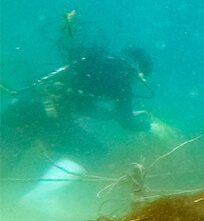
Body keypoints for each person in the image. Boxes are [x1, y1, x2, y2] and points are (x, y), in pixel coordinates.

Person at [1, 46, 155, 167]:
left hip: (25, 107)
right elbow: (127, 122)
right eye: (141, 78)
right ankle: (42, 196)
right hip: (50, 121)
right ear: (137, 70)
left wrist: (116, 114)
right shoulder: (123, 81)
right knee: (95, 152)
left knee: (8, 154)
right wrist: (148, 127)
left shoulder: (94, 61)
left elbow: (86, 106)